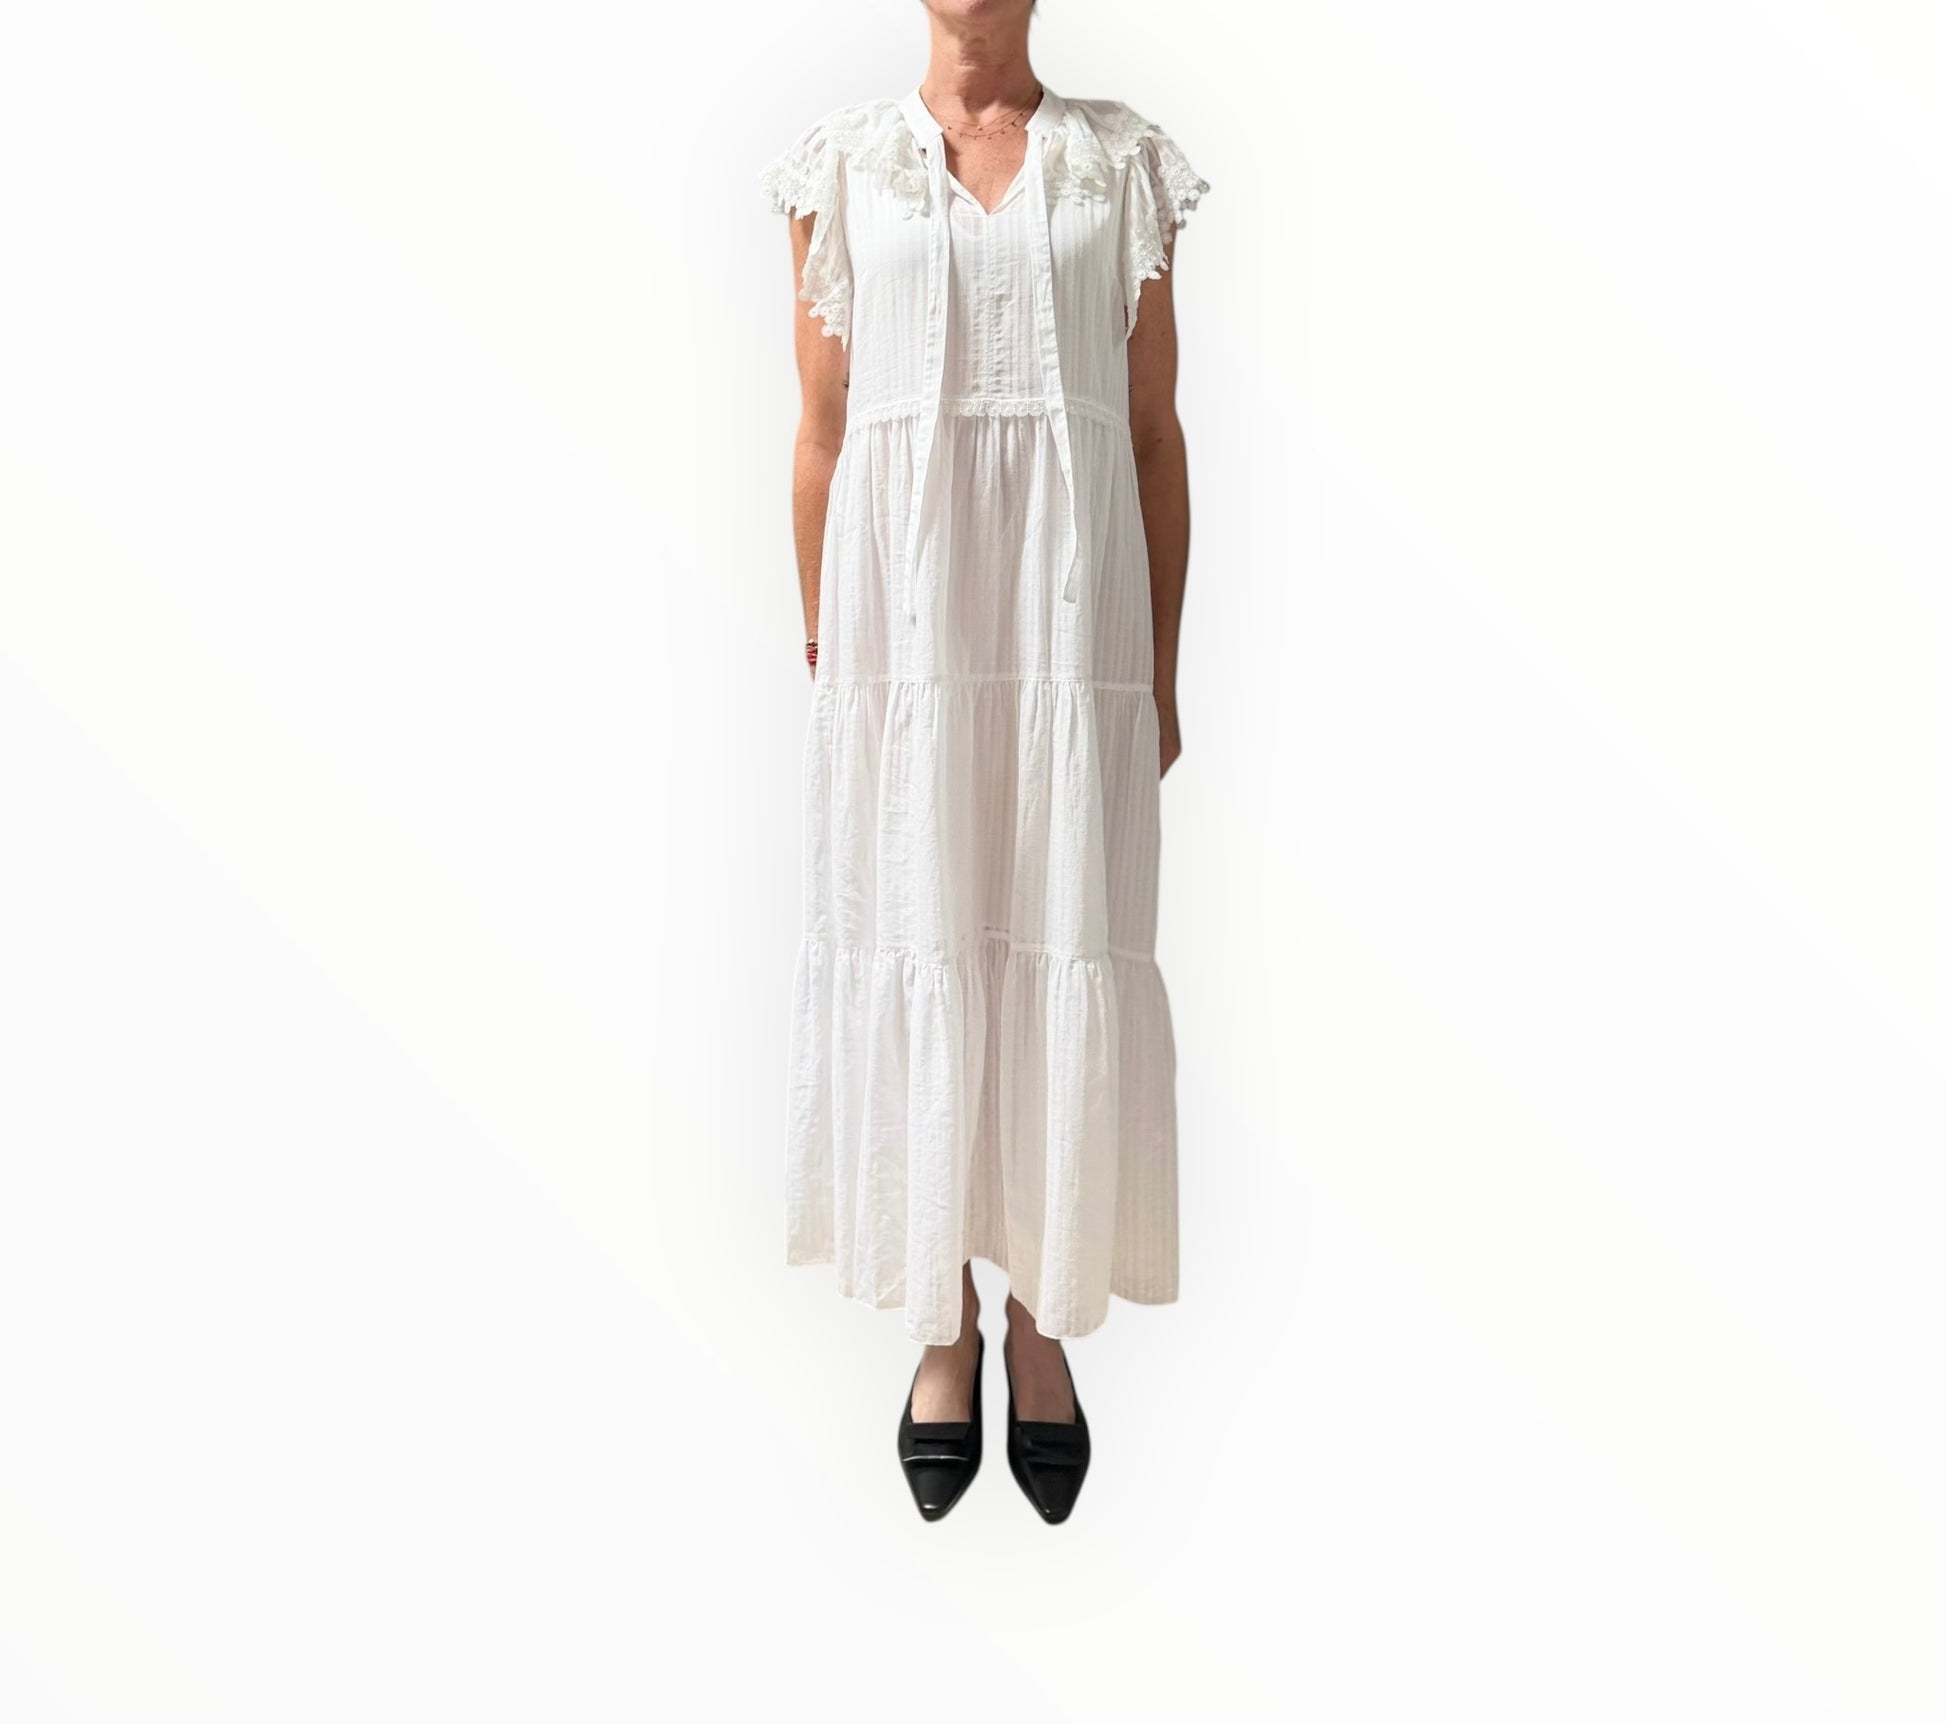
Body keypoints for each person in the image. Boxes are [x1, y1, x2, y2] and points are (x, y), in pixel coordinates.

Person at [758, 0, 1207, 1524]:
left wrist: (1158, 669)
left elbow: (1151, 434)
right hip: (904, 644)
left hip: (1069, 638)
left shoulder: (1120, 166)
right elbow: (822, 430)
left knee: (1057, 930)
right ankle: (940, 1318)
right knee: (921, 931)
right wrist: (829, 655)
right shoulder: (839, 167)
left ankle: (1039, 1318)